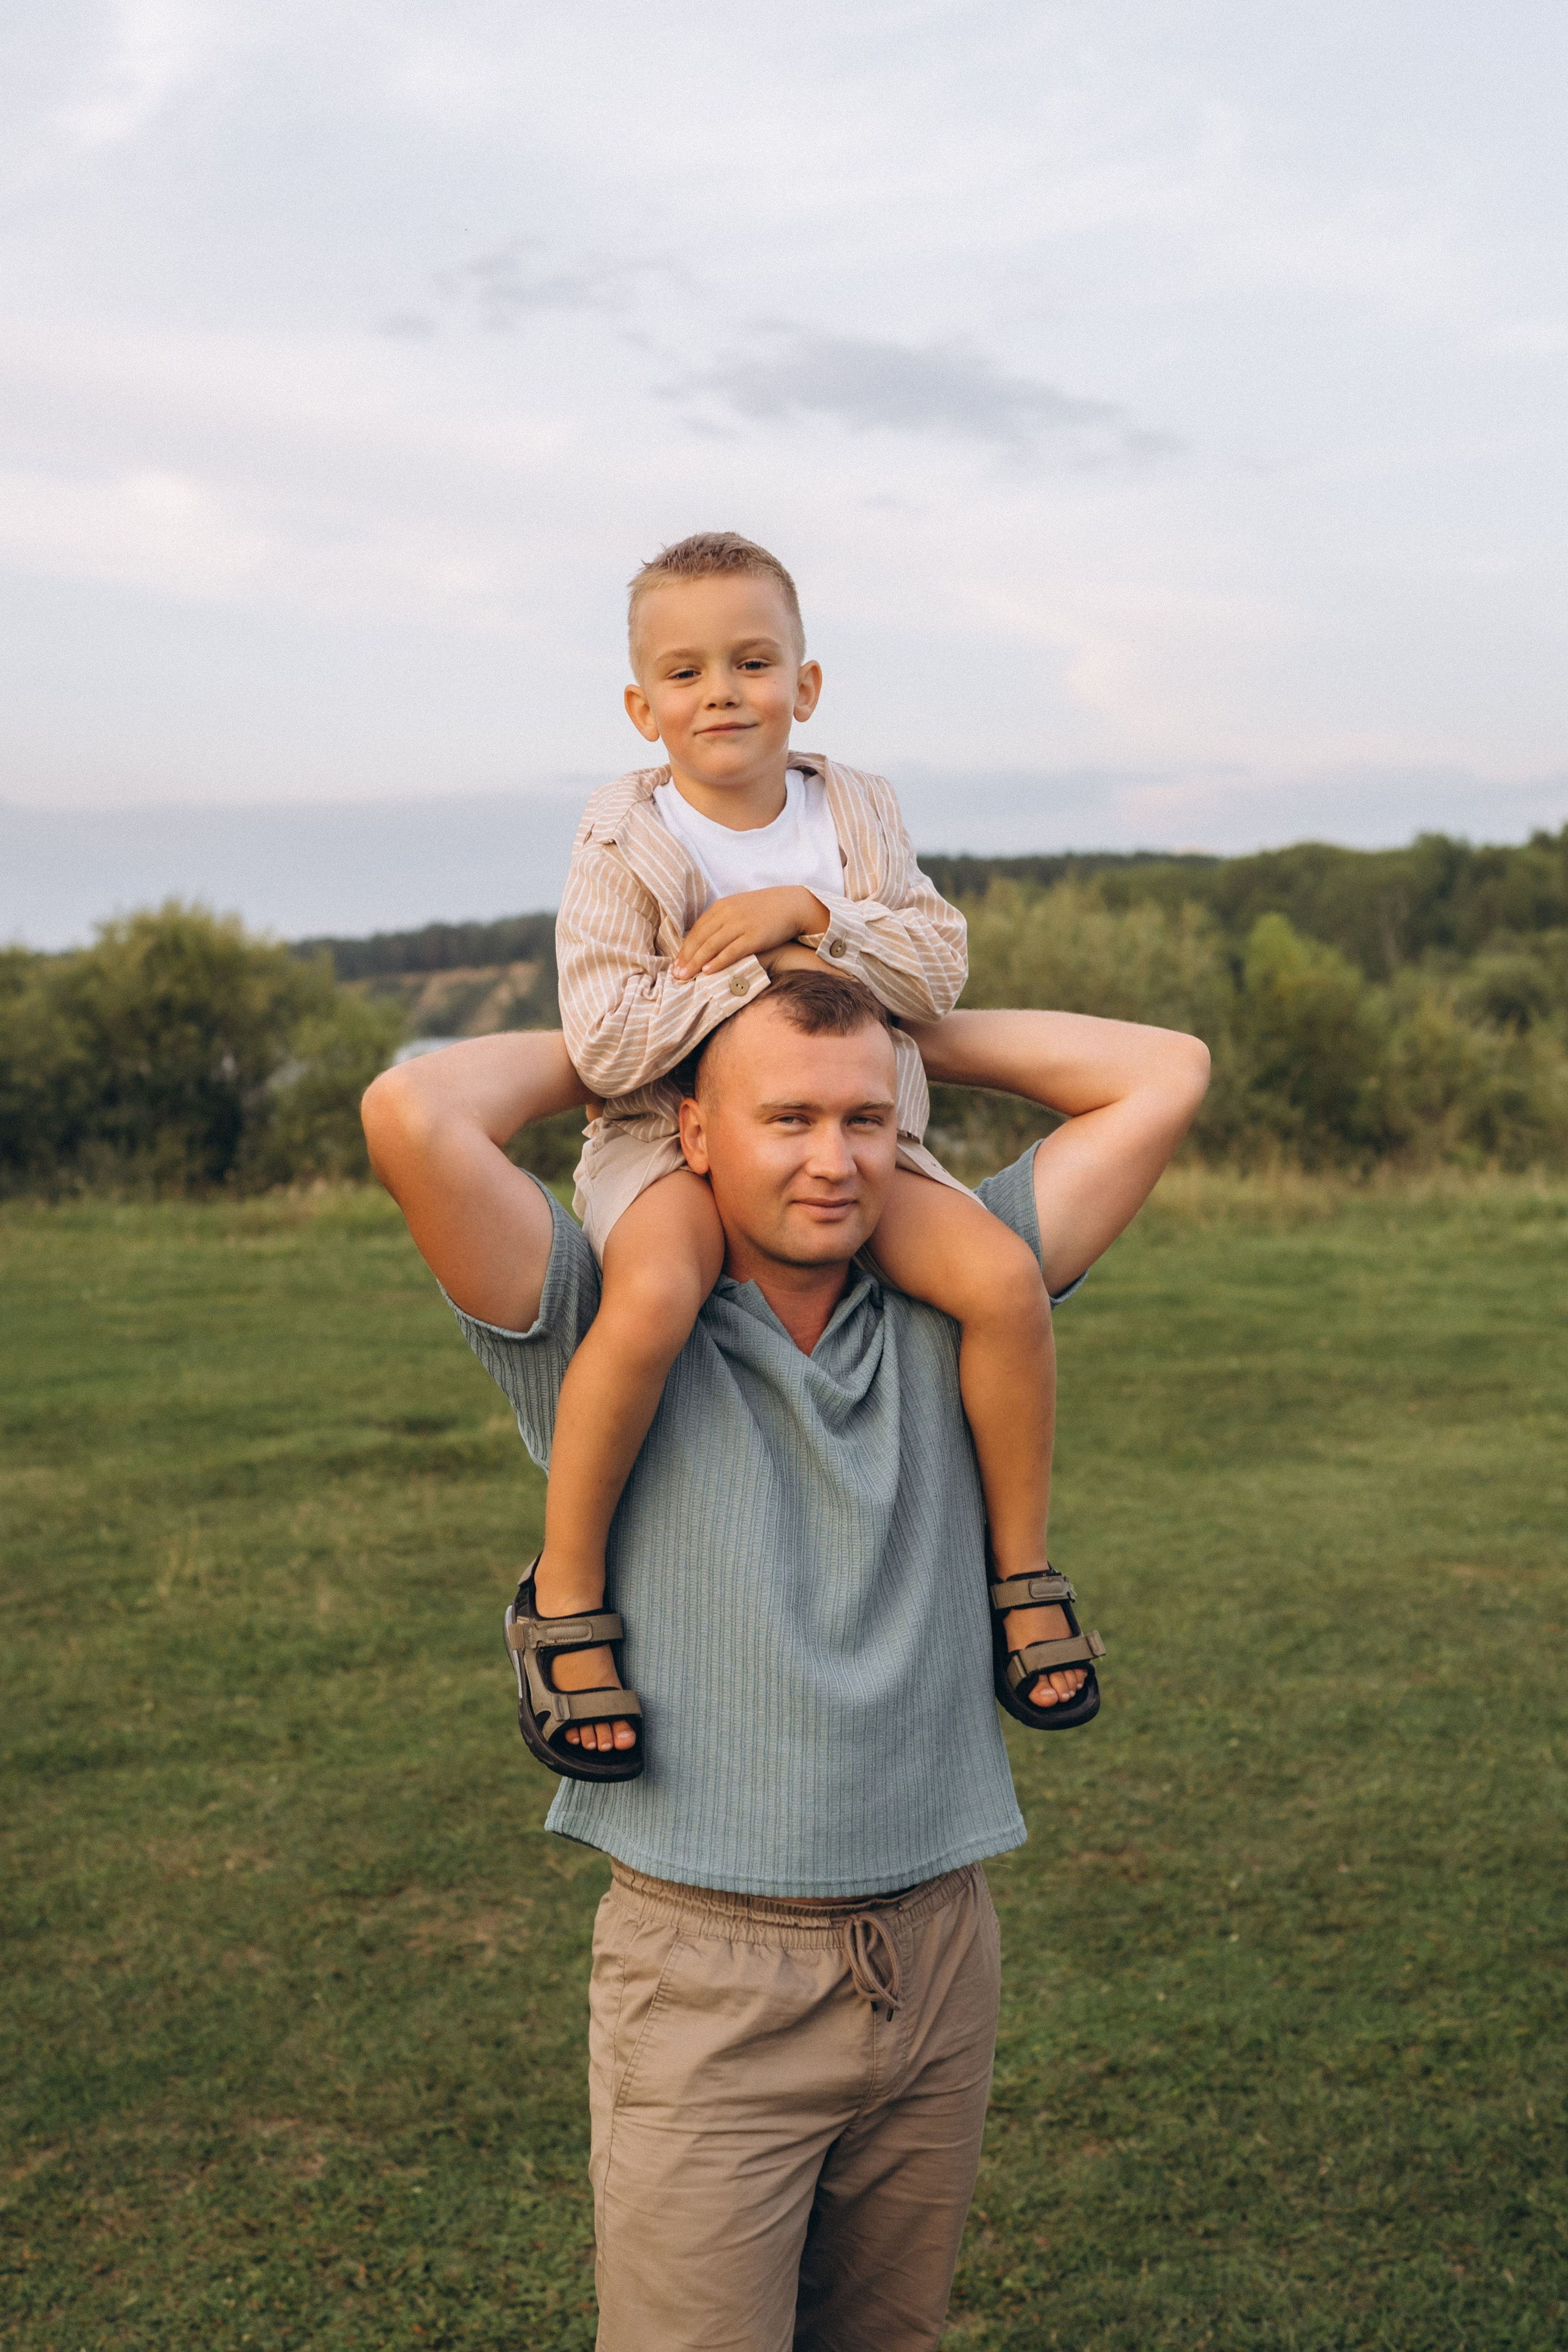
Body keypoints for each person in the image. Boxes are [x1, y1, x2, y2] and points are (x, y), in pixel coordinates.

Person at [361, 975, 1208, 2350]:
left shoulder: (958, 1289)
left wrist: (885, 1025)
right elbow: (413, 1109)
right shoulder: (604, 1326)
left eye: (866, 1120)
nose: (834, 1160)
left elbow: (1161, 1071)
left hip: (935, 1953)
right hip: (708, 1978)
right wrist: (655, 1043)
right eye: (786, 1119)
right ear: (691, 1132)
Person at [536, 530, 1072, 1771]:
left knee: (998, 1282)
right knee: (658, 1289)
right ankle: (564, 1593)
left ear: (805, 686)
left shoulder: (856, 812)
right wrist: (774, 995)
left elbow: (933, 972)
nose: (719, 692)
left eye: (751, 661)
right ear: (642, 708)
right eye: (683, 673)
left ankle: (1022, 1573)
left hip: (850, 1133)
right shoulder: (622, 839)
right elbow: (612, 1043)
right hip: (663, 1134)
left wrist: (808, 917)